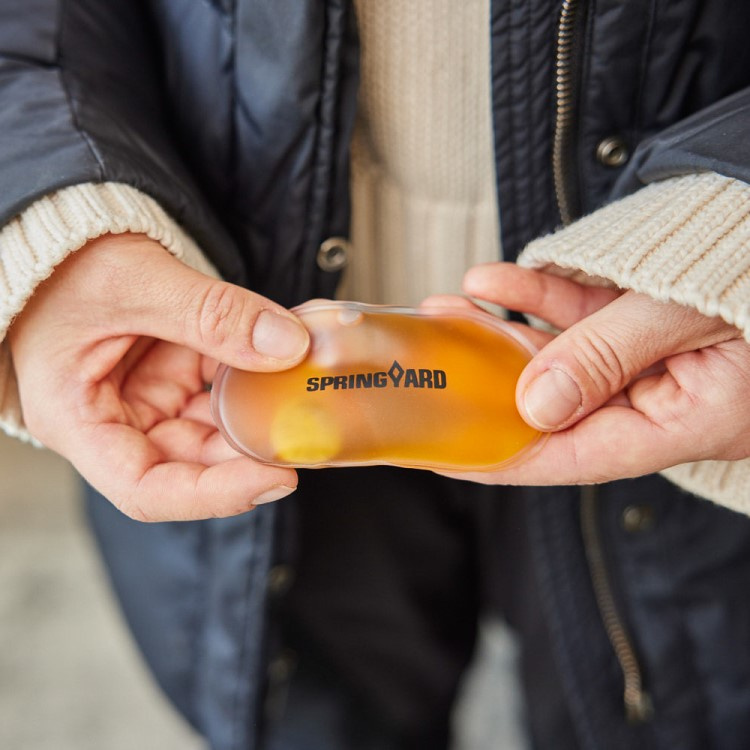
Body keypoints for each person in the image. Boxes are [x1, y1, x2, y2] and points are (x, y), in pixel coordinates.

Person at [2, 1, 750, 748]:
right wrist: (57, 221)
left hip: (664, 345)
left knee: (655, 707)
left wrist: (730, 247)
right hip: (225, 376)